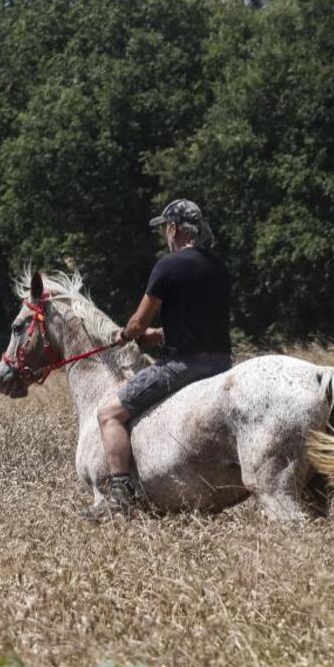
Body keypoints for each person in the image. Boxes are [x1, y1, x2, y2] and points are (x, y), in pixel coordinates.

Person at [82, 199, 232, 521]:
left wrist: (128, 334)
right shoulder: (219, 267)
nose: (165, 233)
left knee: (109, 413)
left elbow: (137, 322)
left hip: (182, 367)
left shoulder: (169, 265)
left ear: (174, 229)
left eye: (166, 227)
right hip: (221, 364)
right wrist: (161, 336)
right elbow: (203, 324)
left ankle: (120, 496)